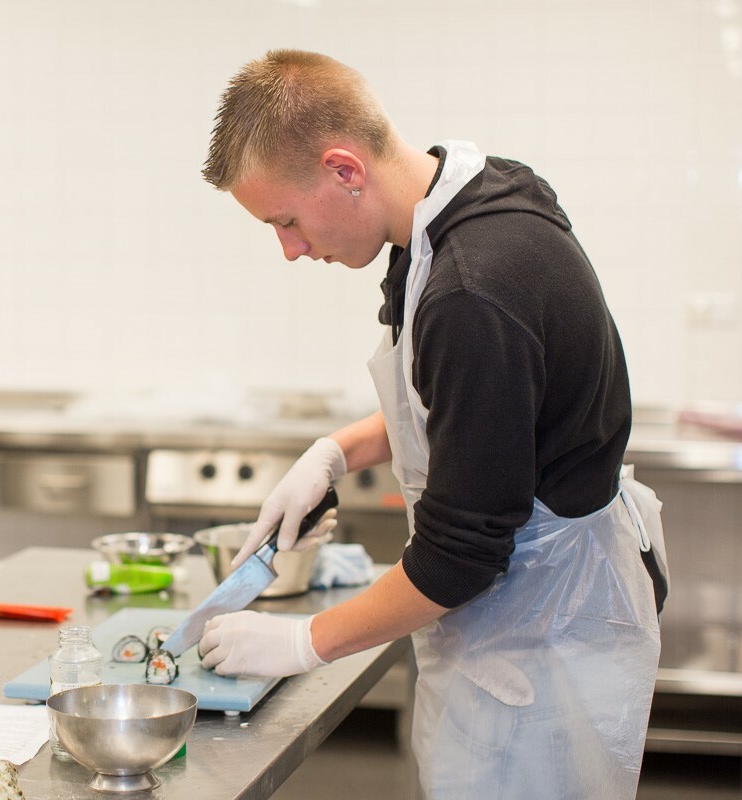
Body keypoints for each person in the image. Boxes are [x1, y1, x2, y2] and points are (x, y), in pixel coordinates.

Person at [196, 50, 666, 799]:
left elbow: (461, 556)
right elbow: (461, 406)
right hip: (518, 615)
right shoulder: (460, 205)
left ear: (345, 169)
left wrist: (301, 641)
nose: (288, 248)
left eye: (285, 220)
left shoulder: (473, 289)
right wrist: (335, 452)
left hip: (541, 637)